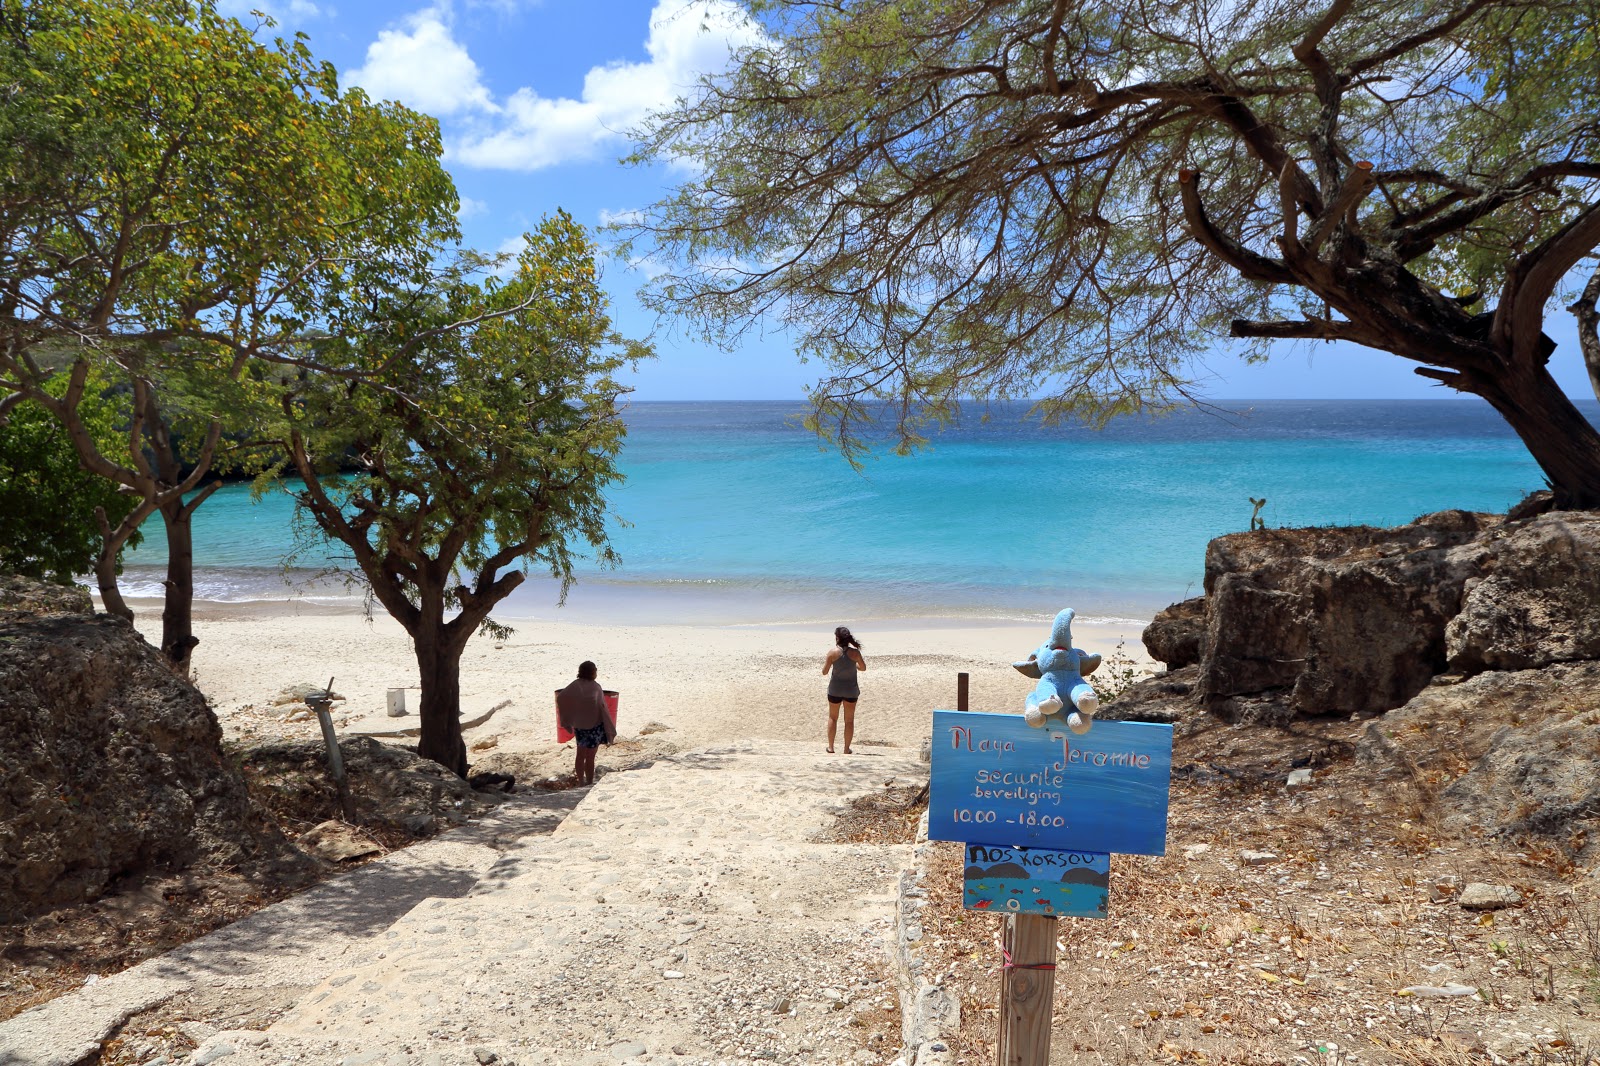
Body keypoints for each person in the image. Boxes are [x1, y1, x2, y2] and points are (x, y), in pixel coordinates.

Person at [556, 660, 614, 785]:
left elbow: (561, 697)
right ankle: (588, 781)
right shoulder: (596, 687)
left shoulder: (575, 685)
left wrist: (570, 716)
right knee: (590, 756)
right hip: (594, 726)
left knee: (580, 754)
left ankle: (581, 781)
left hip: (580, 725)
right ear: (593, 672)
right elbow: (602, 707)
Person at [822, 626, 867, 754]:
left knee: (833, 717)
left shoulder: (832, 652)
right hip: (851, 691)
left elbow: (824, 672)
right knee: (849, 720)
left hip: (835, 690)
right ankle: (846, 749)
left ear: (837, 638)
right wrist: (854, 665)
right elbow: (863, 668)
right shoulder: (855, 653)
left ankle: (831, 747)